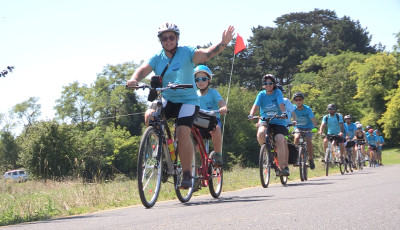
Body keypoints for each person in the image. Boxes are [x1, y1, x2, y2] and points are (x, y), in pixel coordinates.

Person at [127, 22, 235, 188]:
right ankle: (163, 151)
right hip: (168, 99)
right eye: (164, 38)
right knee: (149, 115)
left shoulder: (187, 52)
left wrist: (223, 43)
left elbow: (206, 54)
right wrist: (134, 79)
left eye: (171, 37)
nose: (168, 40)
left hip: (188, 101)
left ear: (176, 38)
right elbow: (143, 69)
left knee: (182, 130)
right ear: (161, 40)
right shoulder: (157, 57)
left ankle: (186, 174)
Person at [248, 74, 290, 176]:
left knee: (280, 139)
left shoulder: (277, 92)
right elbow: (255, 106)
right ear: (263, 85)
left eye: (270, 83)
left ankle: (281, 167)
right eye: (265, 83)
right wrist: (251, 114)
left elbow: (281, 104)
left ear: (274, 84)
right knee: (260, 133)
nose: (268, 85)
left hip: (278, 121)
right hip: (265, 119)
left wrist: (283, 112)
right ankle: (267, 151)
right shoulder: (261, 94)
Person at [194, 65, 228, 166]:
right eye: (198, 79)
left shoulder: (213, 93)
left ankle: (218, 154)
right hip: (198, 122)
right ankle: (190, 165)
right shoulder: (194, 94)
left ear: (209, 80)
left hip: (212, 120)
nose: (201, 81)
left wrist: (223, 107)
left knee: (216, 128)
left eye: (204, 79)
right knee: (191, 139)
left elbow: (222, 102)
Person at [292, 92, 318, 169]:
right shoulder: (293, 109)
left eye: (300, 99)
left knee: (308, 141)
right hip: (298, 127)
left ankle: (311, 159)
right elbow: (287, 119)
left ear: (302, 100)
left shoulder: (307, 109)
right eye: (296, 100)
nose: (298, 101)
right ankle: (295, 157)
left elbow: (313, 119)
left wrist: (315, 127)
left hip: (308, 127)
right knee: (297, 137)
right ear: (295, 101)